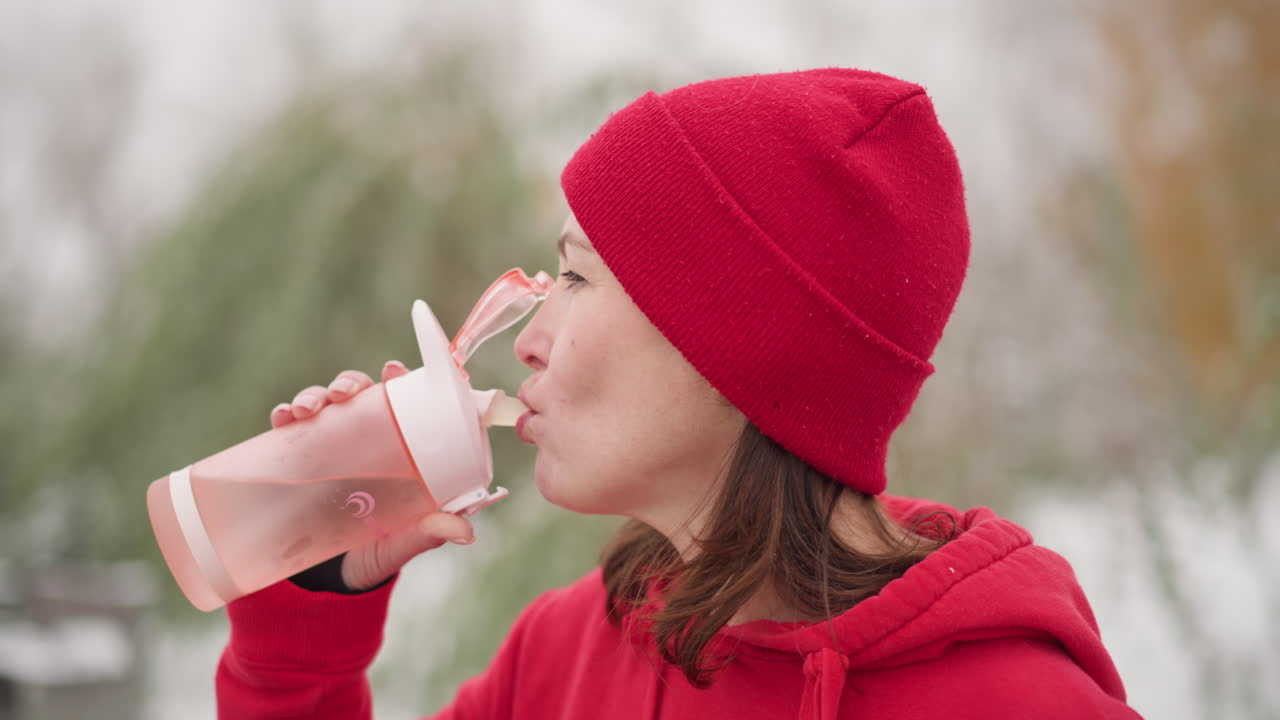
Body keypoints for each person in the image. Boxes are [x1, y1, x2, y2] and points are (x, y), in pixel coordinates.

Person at [215, 68, 1144, 719]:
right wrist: (301, 636)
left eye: (575, 280)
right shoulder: (568, 655)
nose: (530, 345)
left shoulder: (1020, 705)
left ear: (733, 347)